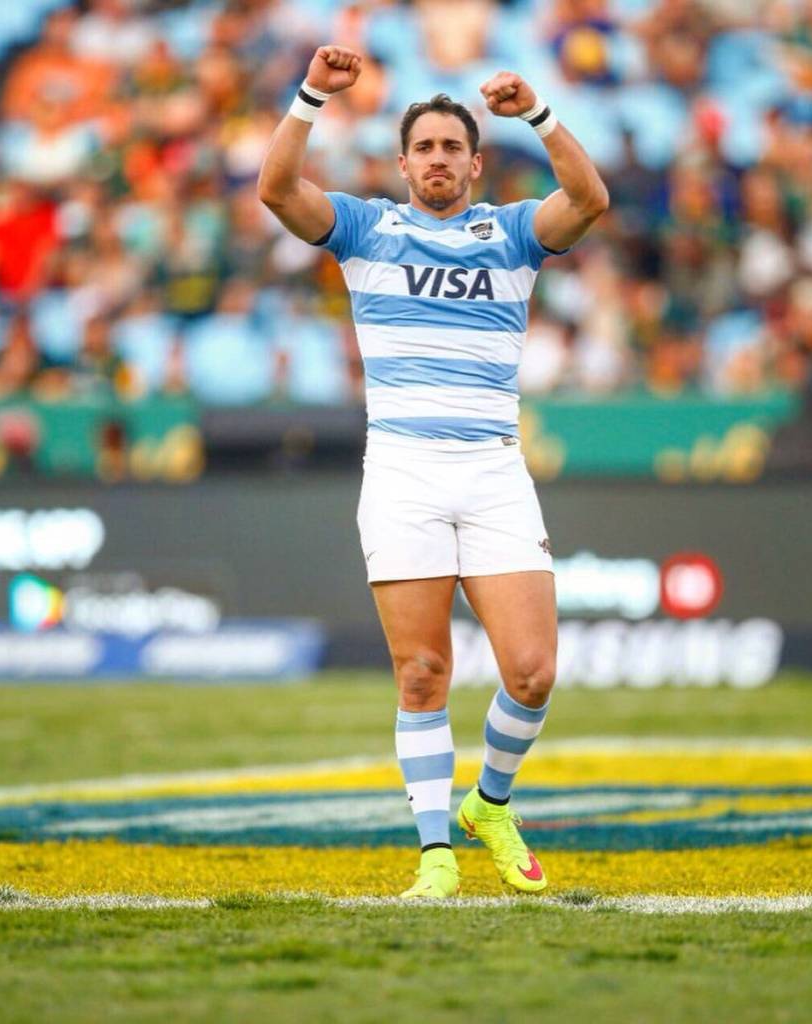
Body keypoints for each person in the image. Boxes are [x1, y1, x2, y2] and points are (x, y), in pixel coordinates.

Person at [258, 45, 608, 898]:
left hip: (492, 471)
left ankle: (490, 804)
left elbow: (589, 201)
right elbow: (276, 190)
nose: (439, 159)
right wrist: (311, 96)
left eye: (454, 147)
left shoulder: (513, 234)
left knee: (533, 671)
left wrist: (539, 114)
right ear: (403, 162)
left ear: (476, 164)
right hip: (404, 473)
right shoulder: (365, 229)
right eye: (426, 148)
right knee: (421, 673)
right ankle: (435, 855)